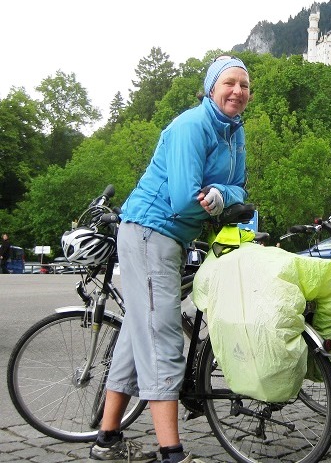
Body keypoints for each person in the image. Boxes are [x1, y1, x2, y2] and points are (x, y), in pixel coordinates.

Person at [88, 56, 251, 463]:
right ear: (211, 89)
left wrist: (218, 195)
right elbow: (182, 200)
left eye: (244, 85)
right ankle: (171, 453)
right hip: (149, 230)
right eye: (228, 83)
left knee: (135, 336)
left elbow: (239, 191)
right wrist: (218, 199)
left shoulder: (235, 134)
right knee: (161, 337)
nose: (237, 91)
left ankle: (106, 440)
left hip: (172, 237)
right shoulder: (191, 126)